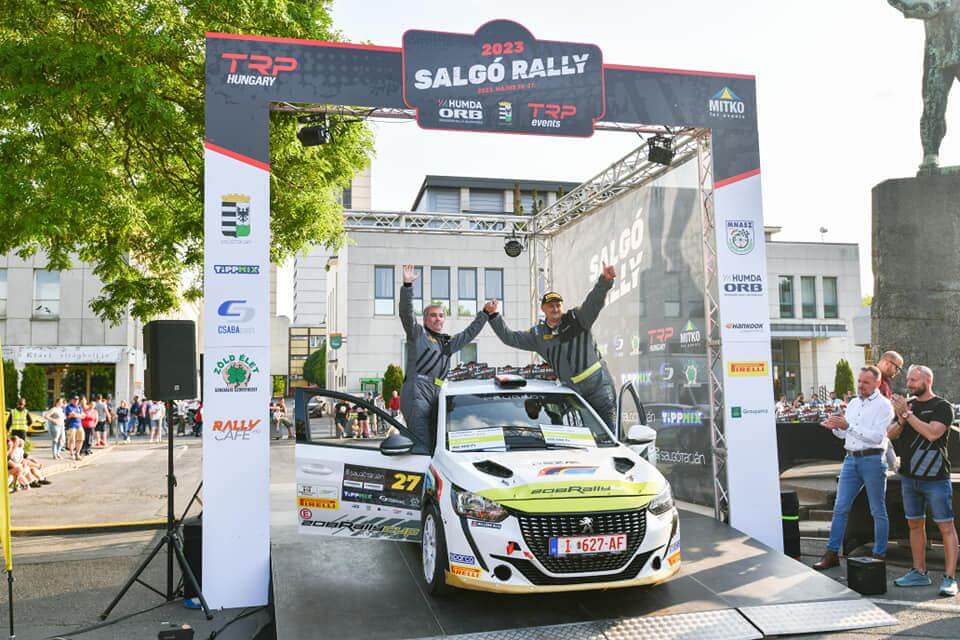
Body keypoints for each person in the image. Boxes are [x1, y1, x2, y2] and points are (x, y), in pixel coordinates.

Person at [486, 263, 618, 429]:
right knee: (585, 437)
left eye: (558, 305)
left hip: (599, 387)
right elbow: (510, 338)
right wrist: (494, 316)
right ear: (543, 309)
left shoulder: (577, 318)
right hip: (573, 393)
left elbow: (594, 302)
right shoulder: (538, 335)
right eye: (551, 306)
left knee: (611, 431)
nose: (555, 309)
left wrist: (605, 281)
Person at [399, 264, 490, 448]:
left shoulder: (446, 343)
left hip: (439, 390)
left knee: (437, 441)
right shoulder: (418, 334)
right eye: (433, 315)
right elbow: (406, 314)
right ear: (425, 319)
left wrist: (485, 314)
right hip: (418, 389)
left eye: (441, 315)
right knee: (422, 441)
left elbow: (468, 334)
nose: (438, 319)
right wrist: (407, 286)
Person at [814, 365, 895, 569]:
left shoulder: (884, 406)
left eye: (866, 382)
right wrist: (835, 427)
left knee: (877, 509)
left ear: (877, 383)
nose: (861, 385)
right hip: (850, 459)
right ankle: (832, 553)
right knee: (840, 508)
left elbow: (877, 437)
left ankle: (879, 556)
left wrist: (847, 426)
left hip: (873, 459)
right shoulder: (853, 403)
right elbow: (846, 434)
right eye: (859, 381)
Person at [888, 365, 959, 596]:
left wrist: (907, 415)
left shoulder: (942, 407)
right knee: (914, 524)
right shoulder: (908, 406)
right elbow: (890, 434)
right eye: (908, 379)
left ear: (927, 381)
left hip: (936, 478)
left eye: (913, 380)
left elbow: (932, 433)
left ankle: (950, 578)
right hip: (910, 477)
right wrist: (901, 418)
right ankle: (919, 572)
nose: (908, 384)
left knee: (946, 527)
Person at [64, 396, 84, 461]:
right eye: (74, 400)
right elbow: (71, 415)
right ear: (72, 400)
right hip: (72, 426)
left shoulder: (79, 407)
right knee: (72, 440)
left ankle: (77, 454)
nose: (76, 401)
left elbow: (83, 416)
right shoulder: (69, 407)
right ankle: (72, 454)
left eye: (77, 400)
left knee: (81, 439)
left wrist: (76, 415)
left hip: (79, 425)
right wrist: (79, 415)